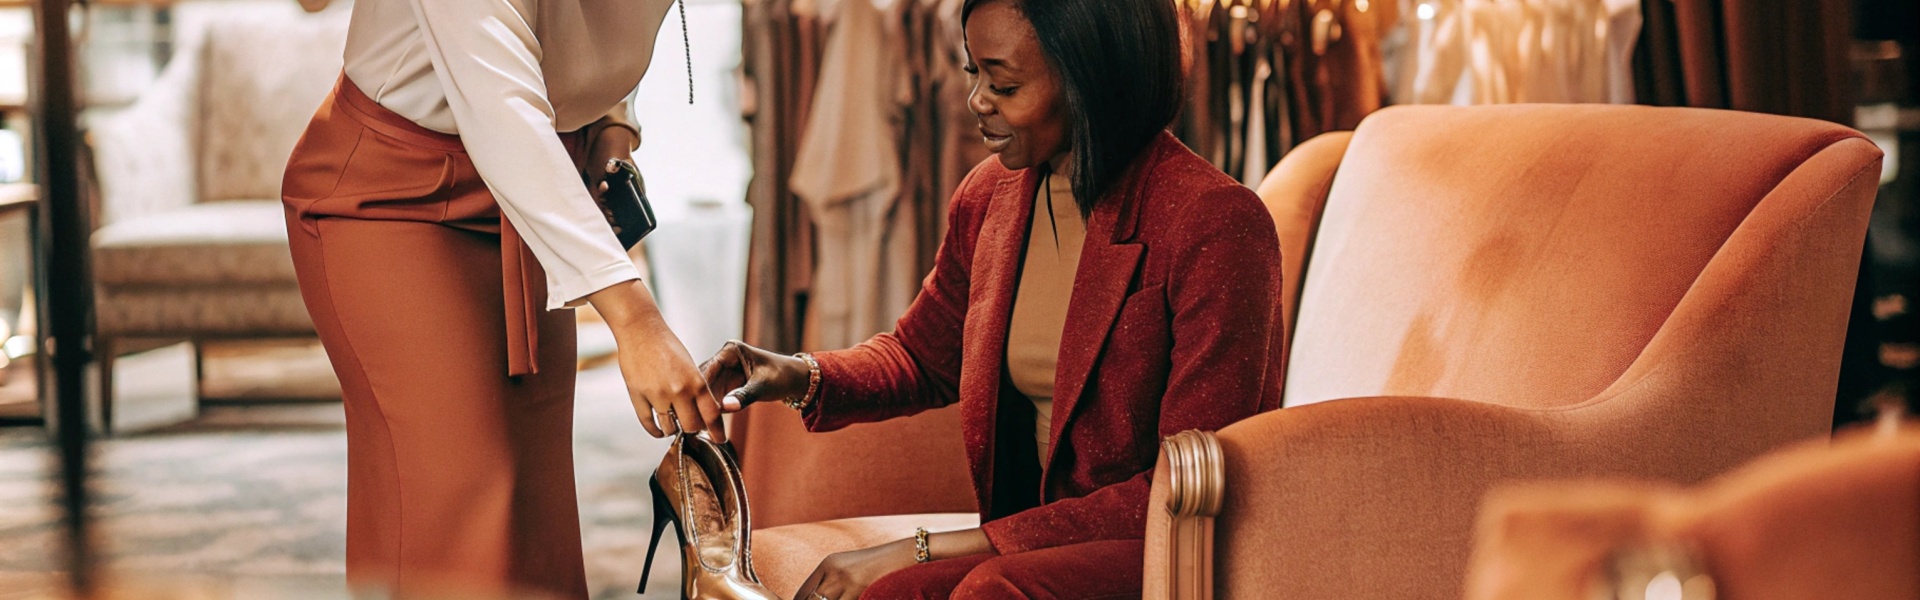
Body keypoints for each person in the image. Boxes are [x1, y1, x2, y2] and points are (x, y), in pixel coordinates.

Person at [700, 0, 1288, 596]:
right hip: (1024, 542)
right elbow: (923, 357)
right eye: (971, 73)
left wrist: (931, 548)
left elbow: (1190, 486)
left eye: (1003, 83)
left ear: (1091, 76)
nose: (978, 100)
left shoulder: (1215, 223)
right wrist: (796, 374)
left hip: (1158, 547)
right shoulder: (991, 196)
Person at [279, 1, 725, 597]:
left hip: (530, 191)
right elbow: (501, 105)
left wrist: (611, 128)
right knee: (465, 495)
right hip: (392, 199)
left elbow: (581, 40)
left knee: (530, 504)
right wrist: (636, 318)